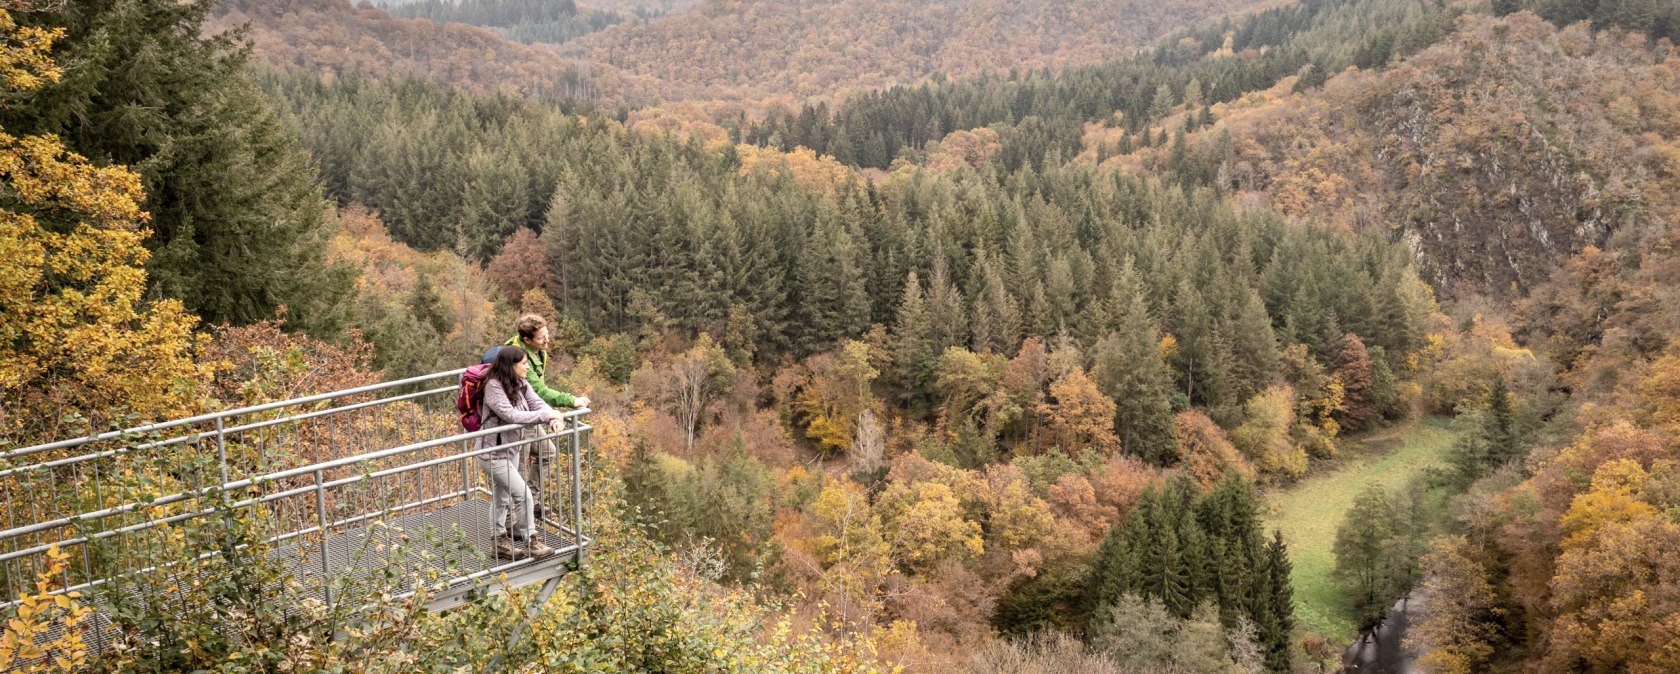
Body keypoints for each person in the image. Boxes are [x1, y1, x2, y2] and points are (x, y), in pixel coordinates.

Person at [493, 314, 589, 520]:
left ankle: (531, 501)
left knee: (548, 452)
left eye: (547, 334)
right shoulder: (516, 358)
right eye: (541, 337)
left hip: (532, 414)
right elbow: (539, 391)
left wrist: (552, 417)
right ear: (527, 340)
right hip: (519, 421)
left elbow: (535, 397)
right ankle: (513, 521)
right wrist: (571, 400)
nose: (547, 340)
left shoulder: (537, 352)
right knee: (517, 471)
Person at [477, 346, 562, 560]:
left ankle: (499, 543)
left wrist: (552, 417)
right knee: (522, 495)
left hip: (511, 449)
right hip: (493, 453)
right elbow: (511, 415)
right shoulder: (493, 386)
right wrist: (546, 416)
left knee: (502, 496)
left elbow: (536, 403)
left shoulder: (520, 383)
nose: (527, 367)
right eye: (523, 364)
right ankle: (531, 541)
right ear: (510, 365)